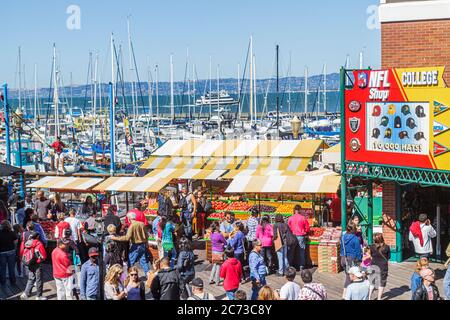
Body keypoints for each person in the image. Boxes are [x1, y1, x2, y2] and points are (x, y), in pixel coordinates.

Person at [112, 211, 150, 276]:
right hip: (143, 245)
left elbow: (127, 238)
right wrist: (146, 243)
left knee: (130, 261)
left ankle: (129, 276)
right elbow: (147, 235)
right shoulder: (142, 224)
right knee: (143, 261)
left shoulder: (132, 226)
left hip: (136, 245)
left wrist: (115, 238)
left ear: (129, 219)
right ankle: (149, 276)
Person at [19, 231, 47, 300]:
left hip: (29, 262)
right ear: (37, 237)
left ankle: (25, 294)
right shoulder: (39, 244)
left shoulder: (27, 243)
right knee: (39, 280)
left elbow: (22, 251)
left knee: (31, 278)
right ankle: (39, 296)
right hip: (37, 264)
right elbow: (43, 256)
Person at [340, 222, 362, 299]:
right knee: (351, 278)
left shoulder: (342, 237)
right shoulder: (355, 239)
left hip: (343, 258)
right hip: (351, 260)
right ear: (354, 229)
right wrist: (359, 260)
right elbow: (358, 251)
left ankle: (346, 294)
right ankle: (346, 296)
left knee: (348, 276)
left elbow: (342, 249)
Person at [368, 233, 390, 300]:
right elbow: (388, 257)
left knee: (372, 282)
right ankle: (379, 298)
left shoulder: (372, 246)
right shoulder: (386, 247)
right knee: (382, 283)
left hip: (373, 265)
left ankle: (368, 297)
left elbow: (371, 255)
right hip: (383, 267)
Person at [288, 205, 310, 270]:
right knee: (301, 251)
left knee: (291, 251)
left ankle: (290, 265)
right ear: (300, 210)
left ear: (294, 210)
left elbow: (288, 227)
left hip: (292, 236)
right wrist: (305, 232)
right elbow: (307, 228)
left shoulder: (290, 218)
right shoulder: (303, 218)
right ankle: (301, 266)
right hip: (301, 236)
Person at [0, 220, 18, 286]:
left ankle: (3, 282)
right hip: (11, 251)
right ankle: (13, 281)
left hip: (2, 252)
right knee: (11, 267)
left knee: (2, 268)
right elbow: (16, 241)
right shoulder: (12, 232)